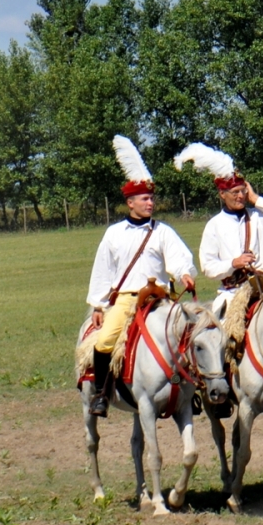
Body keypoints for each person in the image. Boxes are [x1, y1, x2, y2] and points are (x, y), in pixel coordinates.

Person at [87, 136, 197, 417]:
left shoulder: (162, 231)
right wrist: (98, 306)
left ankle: (192, 391)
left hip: (159, 299)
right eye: (145, 199)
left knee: (192, 334)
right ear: (130, 202)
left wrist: (185, 273)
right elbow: (102, 269)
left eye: (152, 198)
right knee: (104, 342)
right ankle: (101, 393)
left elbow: (179, 257)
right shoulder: (113, 233)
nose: (151, 203)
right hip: (126, 300)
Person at [175, 143, 263, 313]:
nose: (241, 196)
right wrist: (233, 263)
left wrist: (255, 198)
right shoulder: (214, 225)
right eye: (235, 192)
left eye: (243, 191)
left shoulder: (257, 217)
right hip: (232, 293)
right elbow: (208, 267)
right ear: (222, 194)